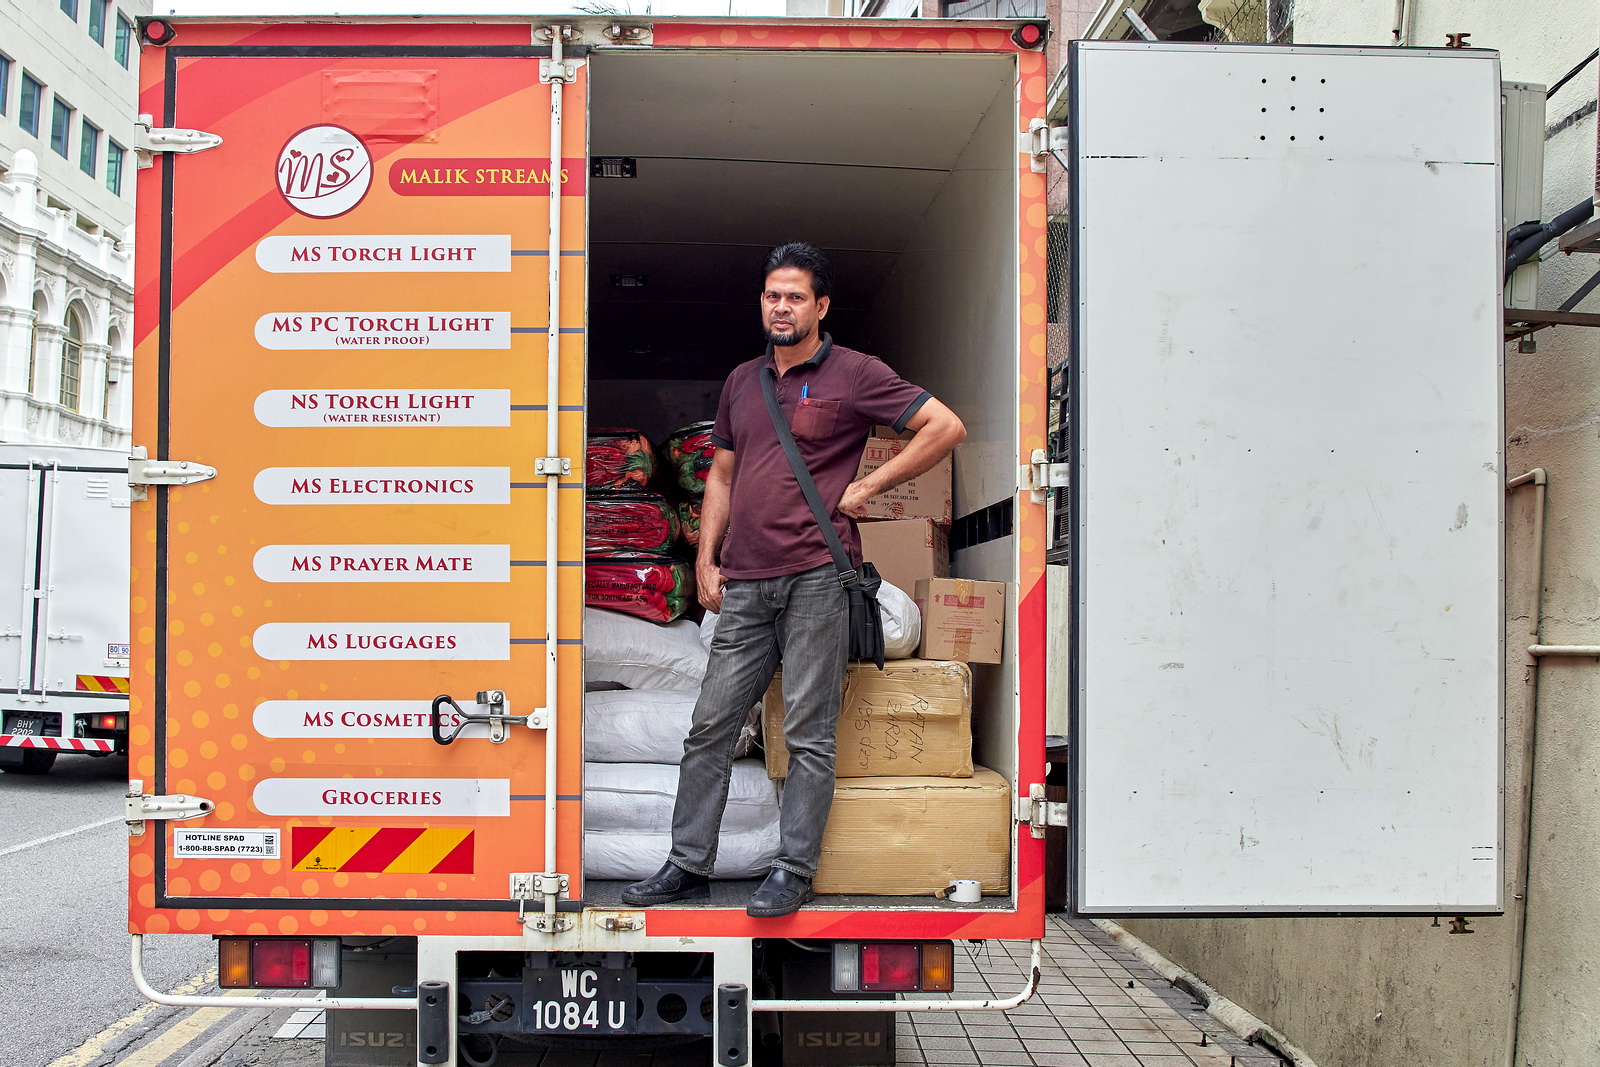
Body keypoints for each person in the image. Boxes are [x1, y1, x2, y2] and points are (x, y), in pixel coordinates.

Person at [621, 242, 966, 918]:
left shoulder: (856, 372)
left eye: (796, 297)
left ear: (821, 306)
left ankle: (793, 869)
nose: (782, 307)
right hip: (746, 583)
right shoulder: (742, 381)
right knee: (710, 725)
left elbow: (944, 425)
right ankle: (687, 863)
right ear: (762, 302)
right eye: (773, 296)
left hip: (817, 579)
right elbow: (721, 476)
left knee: (809, 732)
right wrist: (705, 558)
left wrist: (867, 486)